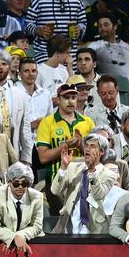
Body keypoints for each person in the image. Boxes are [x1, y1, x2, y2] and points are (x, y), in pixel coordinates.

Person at [37, 83, 95, 215]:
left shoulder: (87, 122)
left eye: (73, 97)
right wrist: (65, 147)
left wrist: (80, 144)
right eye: (66, 97)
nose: (70, 101)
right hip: (56, 180)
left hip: (84, 178)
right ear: (58, 99)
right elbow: (43, 157)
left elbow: (95, 156)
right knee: (64, 219)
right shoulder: (47, 122)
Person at [51, 133, 117, 234]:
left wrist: (91, 171)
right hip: (69, 227)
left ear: (101, 152)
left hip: (95, 229)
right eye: (86, 145)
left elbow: (98, 195)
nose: (87, 149)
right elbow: (55, 191)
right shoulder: (72, 167)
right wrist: (63, 168)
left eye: (93, 146)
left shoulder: (110, 175)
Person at [0, 162, 44, 253]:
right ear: (9, 182)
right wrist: (12, 238)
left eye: (24, 183)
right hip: (2, 244)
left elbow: (37, 227)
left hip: (30, 241)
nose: (20, 187)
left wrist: (18, 237)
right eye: (16, 183)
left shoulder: (37, 196)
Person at [25, 0, 86, 65]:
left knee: (70, 78)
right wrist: (38, 30)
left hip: (70, 53)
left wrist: (80, 29)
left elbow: (83, 22)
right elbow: (28, 24)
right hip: (45, 52)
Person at [88, 13, 129, 89]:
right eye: (100, 26)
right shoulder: (94, 46)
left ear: (115, 27)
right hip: (108, 87)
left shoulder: (128, 47)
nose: (102, 28)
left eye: (106, 25)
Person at [15, 57, 53, 148]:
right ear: (19, 74)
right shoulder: (13, 93)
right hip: (21, 146)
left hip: (42, 144)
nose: (31, 74)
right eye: (26, 71)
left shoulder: (46, 94)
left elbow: (50, 120)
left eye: (33, 71)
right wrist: (31, 125)